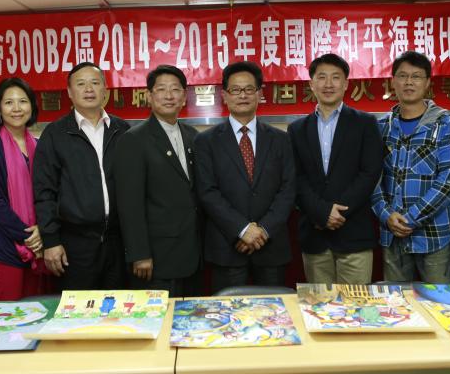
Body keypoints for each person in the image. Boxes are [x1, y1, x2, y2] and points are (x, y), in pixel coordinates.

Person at [195, 61, 295, 293]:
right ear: (224, 95)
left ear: (260, 94)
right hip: (227, 247)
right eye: (236, 90)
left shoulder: (281, 139)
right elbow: (208, 192)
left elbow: (288, 189)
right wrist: (242, 229)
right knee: (226, 311)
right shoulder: (206, 141)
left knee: (275, 311)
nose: (243, 95)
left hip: (271, 247)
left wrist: (262, 230)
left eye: (249, 89)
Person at [32, 62, 130, 290]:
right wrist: (51, 241)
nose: (88, 89)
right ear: (69, 92)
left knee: (118, 308)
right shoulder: (55, 133)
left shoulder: (123, 130)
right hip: (74, 246)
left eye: (95, 83)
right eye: (81, 84)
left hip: (118, 242)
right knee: (78, 310)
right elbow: (44, 192)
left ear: (105, 90)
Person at [288, 53, 383, 285]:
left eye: (335, 77)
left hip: (354, 234)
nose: (328, 84)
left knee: (356, 305)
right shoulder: (297, 129)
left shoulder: (366, 123)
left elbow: (370, 173)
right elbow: (296, 177)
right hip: (315, 236)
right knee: (319, 305)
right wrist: (321, 213)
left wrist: (337, 213)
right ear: (311, 84)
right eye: (321, 77)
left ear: (346, 83)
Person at [371, 51, 450, 283]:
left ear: (428, 82)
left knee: (439, 301)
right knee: (396, 302)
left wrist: (410, 218)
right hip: (392, 234)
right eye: (402, 76)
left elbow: (448, 182)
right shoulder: (381, 126)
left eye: (416, 76)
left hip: (434, 236)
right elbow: (371, 179)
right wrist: (386, 215)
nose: (408, 82)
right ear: (393, 81)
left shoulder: (445, 123)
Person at [114, 65, 202, 296]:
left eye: (175, 89)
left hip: (192, 252)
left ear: (184, 96)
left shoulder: (193, 136)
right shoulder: (133, 140)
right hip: (156, 257)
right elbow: (129, 204)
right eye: (161, 89)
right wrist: (139, 253)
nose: (169, 95)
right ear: (149, 96)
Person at [0, 77, 49, 301]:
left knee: (38, 313)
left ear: (32, 106)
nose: (17, 108)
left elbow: (50, 194)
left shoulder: (41, 146)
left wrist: (43, 230)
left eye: (23, 101)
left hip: (40, 248)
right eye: (9, 102)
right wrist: (28, 236)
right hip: (3, 248)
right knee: (8, 316)